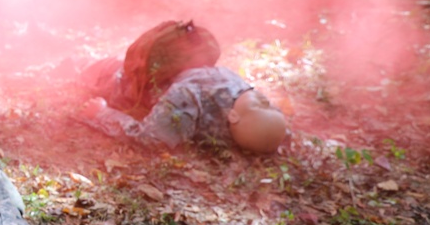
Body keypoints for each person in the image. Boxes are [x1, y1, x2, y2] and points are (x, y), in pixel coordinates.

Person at [78, 20, 287, 153]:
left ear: (234, 117)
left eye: (260, 106)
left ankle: (74, 62)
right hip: (155, 70)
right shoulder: (239, 91)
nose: (265, 100)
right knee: (102, 64)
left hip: (120, 80)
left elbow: (151, 139)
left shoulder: (188, 97)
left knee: (92, 71)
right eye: (270, 105)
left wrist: (103, 113)